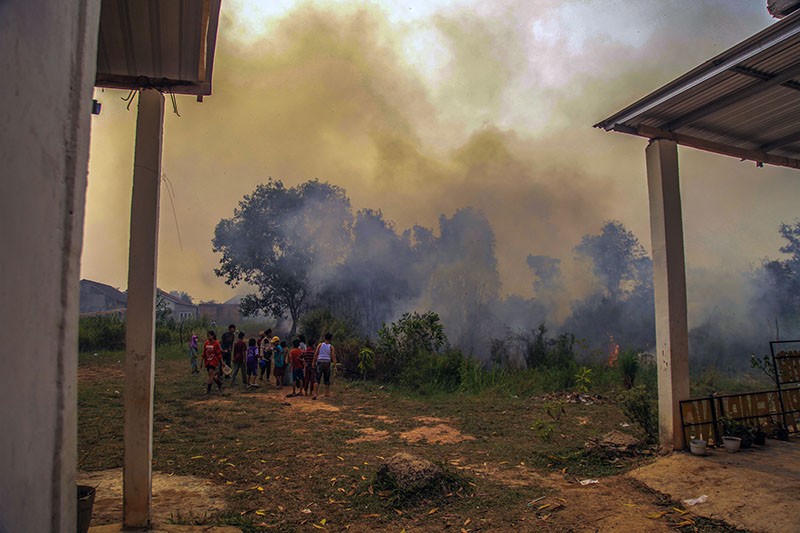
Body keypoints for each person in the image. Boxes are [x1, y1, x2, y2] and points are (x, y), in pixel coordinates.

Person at [312, 333, 336, 399]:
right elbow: (333, 356)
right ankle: (327, 393)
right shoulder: (331, 347)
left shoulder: (320, 345)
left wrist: (313, 362)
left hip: (320, 361)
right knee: (327, 377)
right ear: (331, 339)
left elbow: (316, 354)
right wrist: (335, 365)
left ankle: (315, 394)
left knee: (317, 378)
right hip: (327, 362)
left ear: (324, 338)